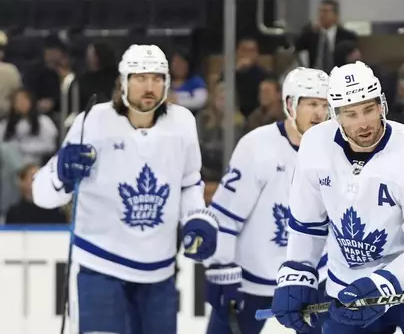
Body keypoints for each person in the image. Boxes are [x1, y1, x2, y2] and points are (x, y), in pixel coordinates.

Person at [271, 61, 404, 334]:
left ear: (381, 105)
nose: (364, 122)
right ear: (336, 115)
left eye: (369, 109)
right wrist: (297, 272)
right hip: (350, 287)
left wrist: (384, 283)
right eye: (351, 114)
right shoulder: (315, 145)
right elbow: (307, 224)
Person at [31, 44, 219, 334]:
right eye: (140, 78)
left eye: (157, 78)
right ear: (123, 82)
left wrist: (196, 217)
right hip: (100, 267)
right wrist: (61, 172)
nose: (149, 86)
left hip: (160, 270)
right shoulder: (92, 121)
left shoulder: (182, 123)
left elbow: (189, 181)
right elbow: (42, 195)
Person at [203, 67, 330, 334]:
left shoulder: (338, 150)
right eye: (310, 104)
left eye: (325, 105)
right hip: (250, 278)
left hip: (311, 279)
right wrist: (221, 267)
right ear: (290, 105)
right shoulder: (257, 146)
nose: (319, 113)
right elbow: (226, 215)